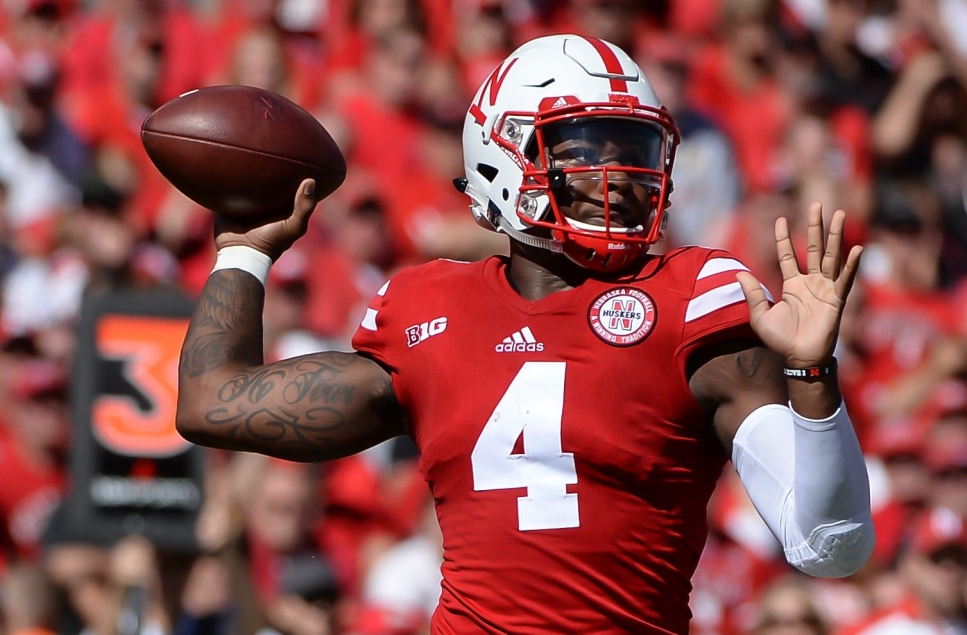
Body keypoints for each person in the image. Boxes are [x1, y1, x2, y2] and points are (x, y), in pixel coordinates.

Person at [175, 34, 875, 634]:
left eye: (633, 148)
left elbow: (828, 543)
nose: (623, 177)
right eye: (588, 148)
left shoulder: (693, 296)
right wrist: (243, 251)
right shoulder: (427, 311)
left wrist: (813, 377)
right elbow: (210, 400)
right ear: (504, 158)